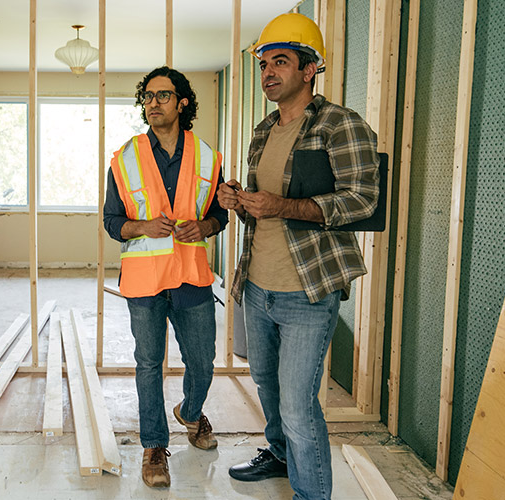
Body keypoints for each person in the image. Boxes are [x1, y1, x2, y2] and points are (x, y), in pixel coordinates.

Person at [218, 13, 379, 500]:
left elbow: (363, 198)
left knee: (298, 406)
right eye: (264, 63)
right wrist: (241, 203)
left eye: (280, 62)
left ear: (310, 70)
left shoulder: (340, 125)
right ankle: (280, 455)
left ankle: (312, 494)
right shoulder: (264, 130)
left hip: (307, 293)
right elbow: (264, 214)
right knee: (268, 390)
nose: (268, 72)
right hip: (258, 287)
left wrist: (283, 205)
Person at [102, 66, 228, 488]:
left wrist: (204, 227)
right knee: (148, 364)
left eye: (163, 96)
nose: (153, 103)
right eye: (148, 97)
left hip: (191, 277)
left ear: (183, 102)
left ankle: (190, 413)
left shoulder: (208, 157)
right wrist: (141, 227)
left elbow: (219, 215)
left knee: (203, 362)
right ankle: (154, 447)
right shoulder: (125, 158)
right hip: (145, 280)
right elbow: (111, 221)